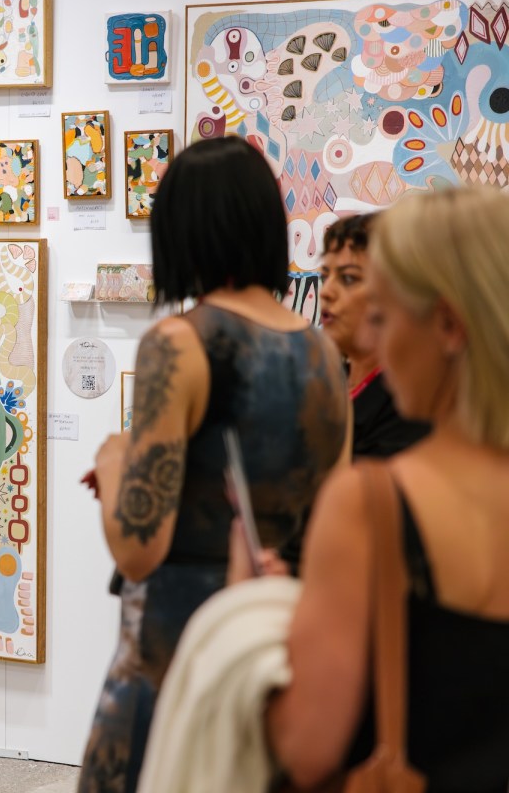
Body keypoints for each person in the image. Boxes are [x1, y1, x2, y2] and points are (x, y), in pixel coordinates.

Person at [77, 135, 349, 793]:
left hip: (178, 641)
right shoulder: (319, 350)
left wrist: (115, 462)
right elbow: (335, 519)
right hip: (273, 630)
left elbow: (140, 548)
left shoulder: (180, 342)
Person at [265, 187, 509, 791]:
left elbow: (307, 746)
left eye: (387, 314)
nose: (378, 335)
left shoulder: (373, 504)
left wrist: (251, 609)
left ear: (448, 326)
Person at [319, 213, 431, 458]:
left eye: (349, 278)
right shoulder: (326, 381)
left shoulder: (407, 403)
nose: (326, 292)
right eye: (325, 276)